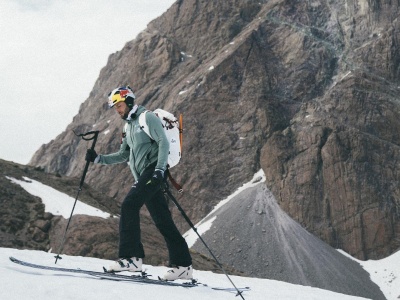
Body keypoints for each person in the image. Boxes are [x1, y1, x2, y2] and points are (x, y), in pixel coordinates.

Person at [85, 86, 193, 281]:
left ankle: (131, 258)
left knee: (129, 205)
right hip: (145, 174)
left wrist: (160, 170)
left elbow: (163, 142)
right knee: (162, 220)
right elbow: (124, 154)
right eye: (114, 107)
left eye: (118, 105)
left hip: (153, 171)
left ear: (128, 102)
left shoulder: (147, 117)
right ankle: (183, 265)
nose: (117, 109)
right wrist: (98, 159)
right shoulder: (128, 126)